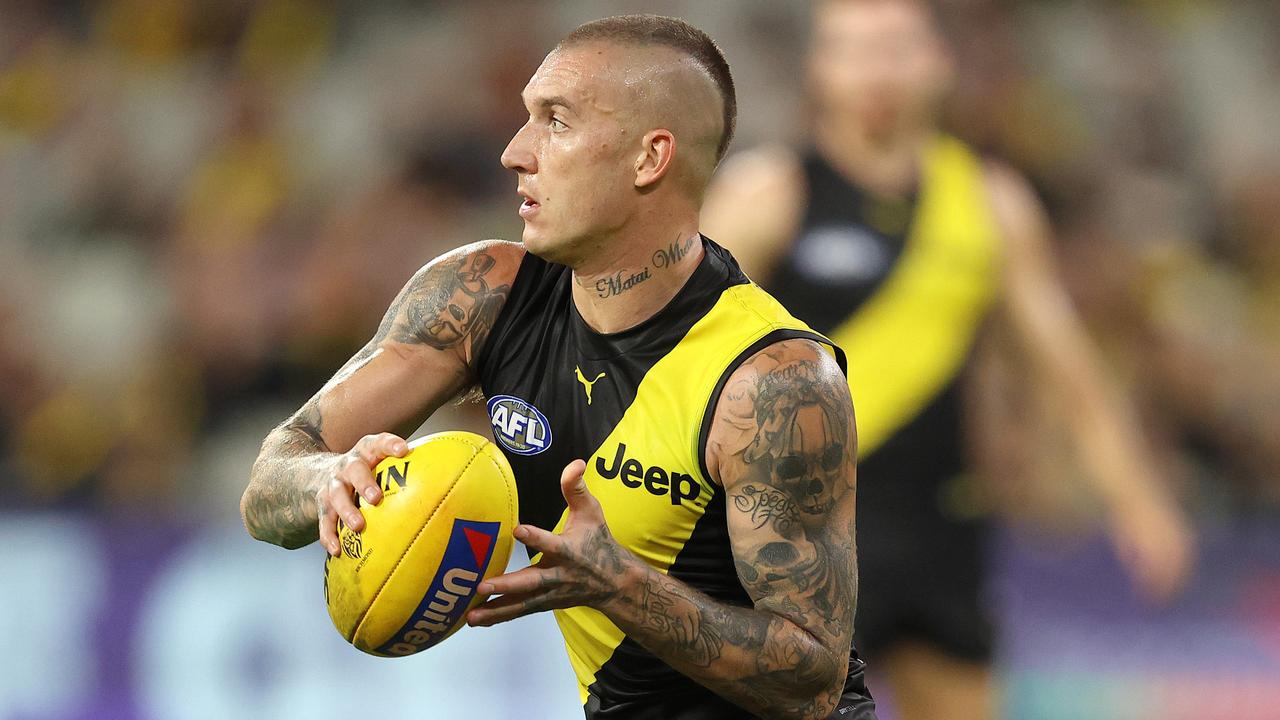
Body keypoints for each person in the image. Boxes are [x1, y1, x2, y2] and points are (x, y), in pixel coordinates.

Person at [241, 14, 877, 720]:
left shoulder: (774, 379)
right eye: (525, 118)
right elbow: (271, 481)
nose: (515, 152)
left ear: (649, 158)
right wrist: (330, 478)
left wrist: (619, 586)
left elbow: (814, 679)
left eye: (557, 121)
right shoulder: (482, 296)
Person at [701, 2, 1194, 719]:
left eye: (896, 49)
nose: (878, 71)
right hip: (800, 535)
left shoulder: (988, 202)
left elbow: (1067, 371)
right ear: (819, 69)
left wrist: (1138, 500)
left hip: (943, 529)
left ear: (938, 63)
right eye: (855, 50)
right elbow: (682, 357)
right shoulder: (768, 193)